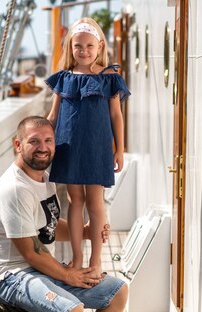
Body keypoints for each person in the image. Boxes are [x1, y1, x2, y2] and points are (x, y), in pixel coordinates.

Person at [0, 116, 134, 312]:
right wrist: (68, 275)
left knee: (116, 292)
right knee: (71, 310)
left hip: (39, 270)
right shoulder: (14, 189)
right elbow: (29, 251)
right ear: (18, 145)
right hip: (11, 277)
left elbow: (50, 227)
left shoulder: (44, 179)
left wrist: (88, 232)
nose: (43, 148)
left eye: (48, 141)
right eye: (34, 142)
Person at [45, 17, 130, 278]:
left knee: (95, 203)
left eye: (89, 46)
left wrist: (119, 149)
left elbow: (116, 115)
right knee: (74, 201)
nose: (83, 51)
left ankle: (95, 260)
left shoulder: (109, 78)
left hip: (96, 148)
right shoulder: (63, 78)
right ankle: (77, 257)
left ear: (100, 45)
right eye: (77, 46)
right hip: (68, 147)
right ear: (70, 46)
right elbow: (53, 115)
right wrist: (41, 145)